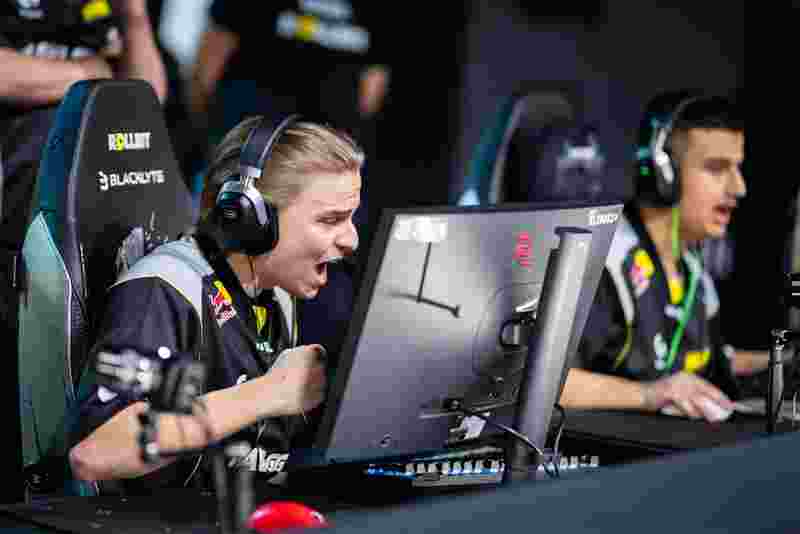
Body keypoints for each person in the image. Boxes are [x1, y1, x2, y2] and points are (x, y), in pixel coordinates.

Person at [68, 115, 362, 493]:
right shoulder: (164, 288)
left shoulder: (275, 293)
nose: (351, 239)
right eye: (330, 219)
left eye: (350, 218)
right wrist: (270, 392)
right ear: (252, 218)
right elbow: (95, 453)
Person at [559, 91, 766, 422]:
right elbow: (543, 384)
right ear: (664, 173)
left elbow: (715, 361)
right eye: (717, 168)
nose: (738, 188)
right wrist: (649, 395)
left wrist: (783, 361)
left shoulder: (694, 273)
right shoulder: (606, 259)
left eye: (738, 169)